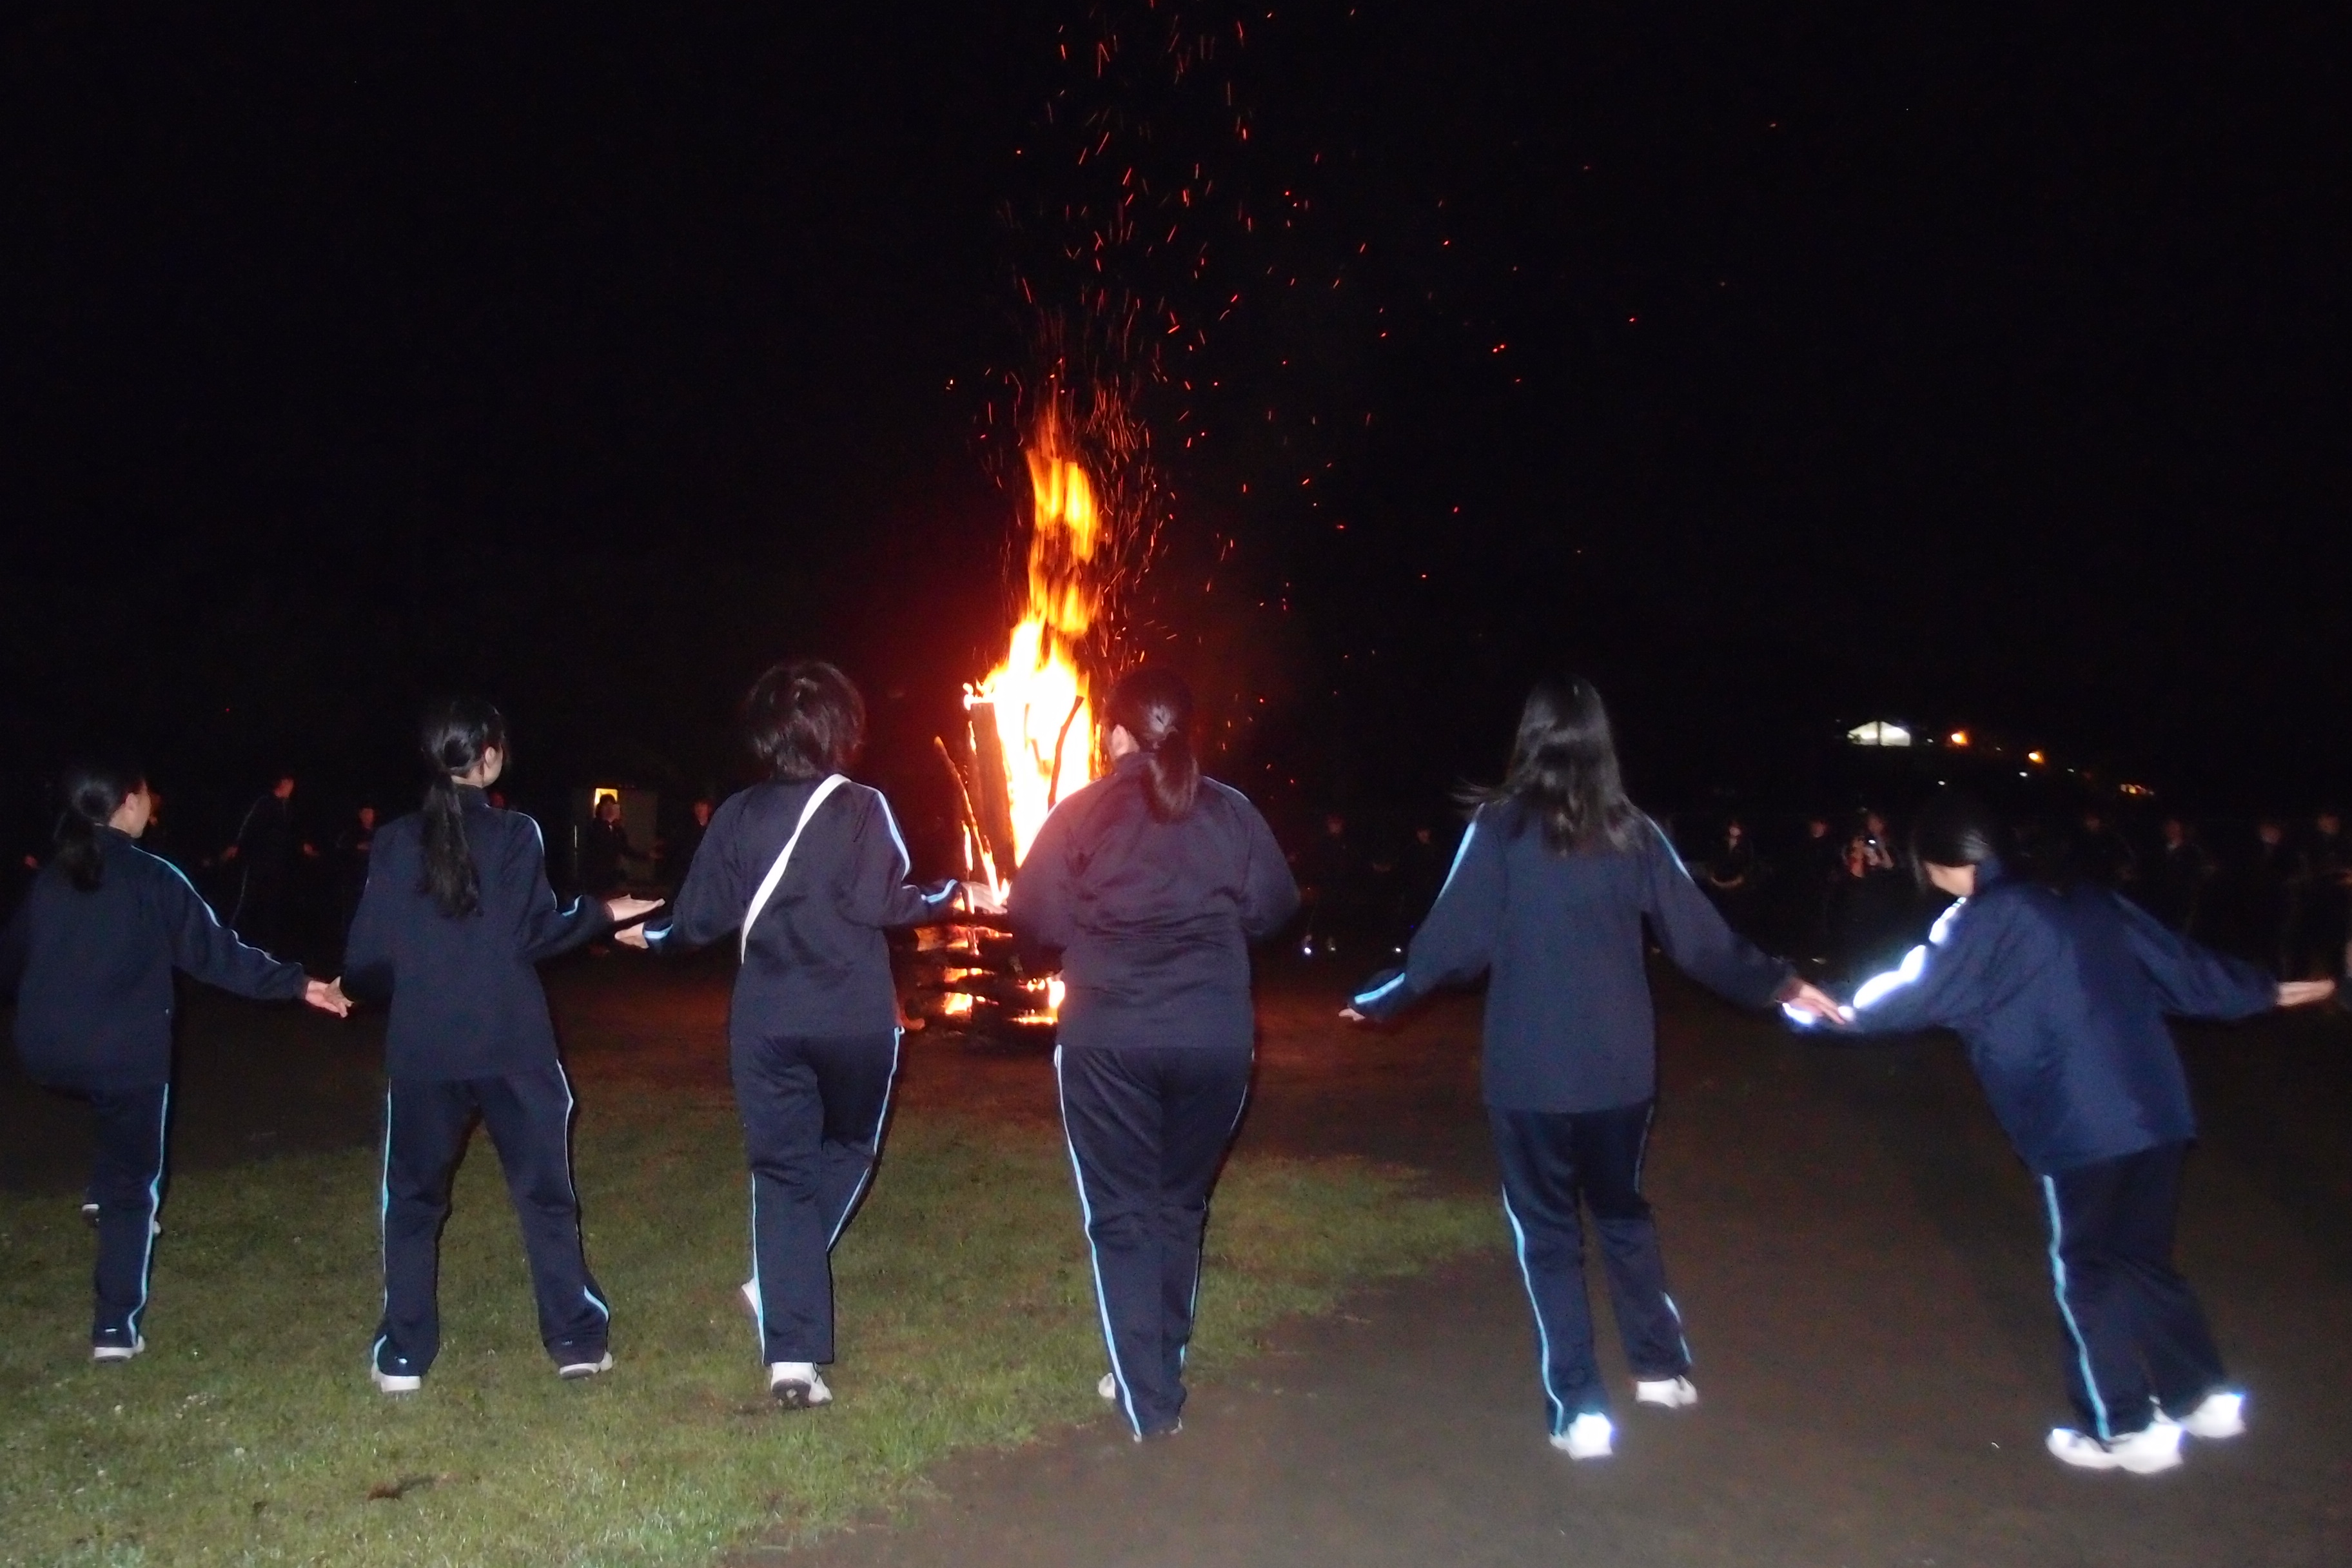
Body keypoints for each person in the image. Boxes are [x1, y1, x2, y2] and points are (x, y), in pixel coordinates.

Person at [1342, 678, 1839, 1460]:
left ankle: (1579, 1406)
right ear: (1602, 741)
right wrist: (1781, 982)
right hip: (1620, 1070)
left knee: (1547, 1234)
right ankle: (1661, 1368)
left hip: (1530, 1072)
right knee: (1621, 1211)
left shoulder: (1499, 829)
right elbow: (1701, 940)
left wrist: (1381, 996)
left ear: (1530, 736)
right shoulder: (1633, 830)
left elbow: (1451, 944)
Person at [1789, 790, 2334, 1473]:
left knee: (2088, 1270)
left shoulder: (1983, 918)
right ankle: (2203, 1394)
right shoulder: (2086, 898)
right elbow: (2184, 968)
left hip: (2079, 1122)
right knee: (2142, 1256)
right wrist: (2262, 988)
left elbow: (1907, 993)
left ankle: (2125, 1427)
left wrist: (1818, 1008)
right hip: (2158, 1109)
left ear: (1945, 861)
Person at [617, 662, 965, 1408]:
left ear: (766, 733)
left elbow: (698, 917)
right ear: (842, 728)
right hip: (855, 1019)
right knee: (849, 1150)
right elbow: (888, 901)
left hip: (769, 1020)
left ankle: (792, 1359)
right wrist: (952, 892)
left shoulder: (740, 814)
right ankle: (779, 1298)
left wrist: (651, 936)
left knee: (781, 1174)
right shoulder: (863, 807)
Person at [1007, 667, 1300, 1440]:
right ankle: (1154, 1362)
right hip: (1215, 1038)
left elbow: (1031, 911)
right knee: (1178, 1202)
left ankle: (1149, 1397)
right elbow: (1275, 907)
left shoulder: (1082, 811)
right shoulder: (1232, 811)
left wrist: (1066, 941)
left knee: (1123, 1214)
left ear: (1114, 734)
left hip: (1110, 1040)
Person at [342, 701, 660, 1395]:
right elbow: (536, 934)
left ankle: (404, 1354)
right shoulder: (516, 832)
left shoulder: (396, 841)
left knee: (413, 1201)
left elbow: (365, 959)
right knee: (544, 1195)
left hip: (425, 1046)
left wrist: (371, 981)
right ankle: (575, 1340)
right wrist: (606, 912)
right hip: (513, 1042)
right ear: (488, 755)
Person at [0, 761, 348, 1362]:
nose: (151, 806)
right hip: (121, 1055)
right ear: (127, 803)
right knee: (135, 1183)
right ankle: (115, 1329)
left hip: (45, 1050)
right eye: (145, 796)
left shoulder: (54, 878)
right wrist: (298, 984)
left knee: (112, 1109)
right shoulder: (150, 875)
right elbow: (215, 954)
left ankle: (102, 1187)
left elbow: (12, 957)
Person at [224, 774, 315, 952]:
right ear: (283, 784)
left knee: (271, 905)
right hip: (260, 863)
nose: (292, 789)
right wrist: (237, 844)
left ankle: (267, 945)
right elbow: (250, 824)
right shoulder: (265, 803)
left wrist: (303, 845)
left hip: (277, 865)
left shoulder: (287, 808)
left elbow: (292, 833)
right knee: (248, 901)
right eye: (290, 785)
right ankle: (230, 940)